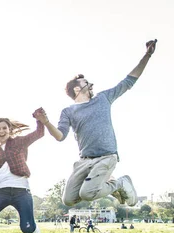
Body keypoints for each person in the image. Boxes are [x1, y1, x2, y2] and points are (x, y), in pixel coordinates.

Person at [40, 40, 157, 208]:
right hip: (84, 161)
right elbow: (60, 136)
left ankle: (121, 183)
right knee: (68, 199)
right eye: (86, 83)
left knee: (87, 193)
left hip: (106, 156)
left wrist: (147, 55)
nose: (90, 84)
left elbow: (129, 81)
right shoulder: (68, 111)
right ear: (76, 89)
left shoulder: (103, 99)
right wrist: (46, 122)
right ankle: (110, 184)